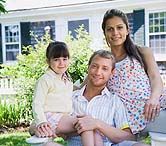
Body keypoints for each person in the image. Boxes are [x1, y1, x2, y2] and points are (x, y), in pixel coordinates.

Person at [101, 9, 166, 135]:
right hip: (129, 116)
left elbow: (155, 78)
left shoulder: (142, 52)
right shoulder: (104, 61)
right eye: (110, 29)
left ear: (127, 30)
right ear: (105, 33)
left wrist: (154, 99)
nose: (115, 33)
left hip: (154, 103)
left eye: (119, 27)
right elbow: (85, 86)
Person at [64, 50, 149, 146]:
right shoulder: (71, 97)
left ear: (112, 73)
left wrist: (97, 124)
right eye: (94, 66)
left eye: (104, 69)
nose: (98, 72)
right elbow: (60, 131)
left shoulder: (114, 101)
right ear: (88, 68)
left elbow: (129, 137)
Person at [29, 41, 103, 146]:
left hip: (64, 117)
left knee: (94, 131)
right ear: (48, 61)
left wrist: (91, 73)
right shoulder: (45, 80)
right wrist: (41, 122)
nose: (61, 63)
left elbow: (77, 88)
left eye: (65, 59)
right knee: (86, 123)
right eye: (56, 59)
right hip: (50, 117)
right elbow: (37, 103)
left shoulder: (65, 78)